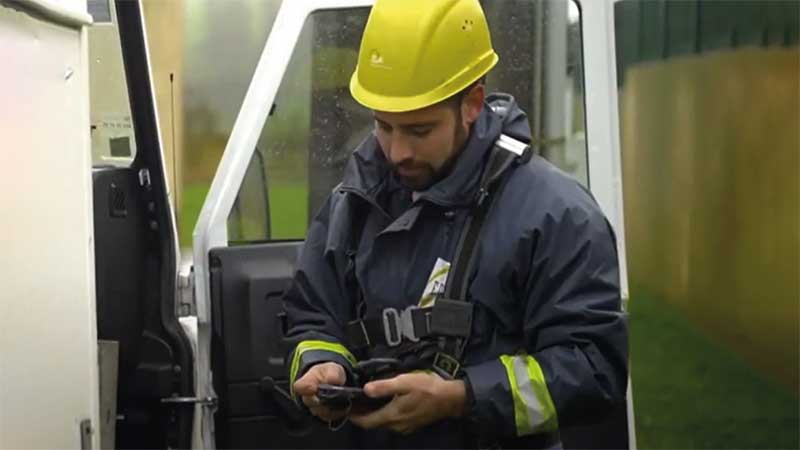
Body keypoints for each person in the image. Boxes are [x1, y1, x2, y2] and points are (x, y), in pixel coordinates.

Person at [285, 0, 628, 448]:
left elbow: (593, 369)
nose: (396, 152)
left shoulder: (557, 215)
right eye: (384, 126)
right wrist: (324, 365)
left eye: (420, 130)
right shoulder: (353, 203)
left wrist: (463, 397)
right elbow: (314, 314)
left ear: (473, 102)